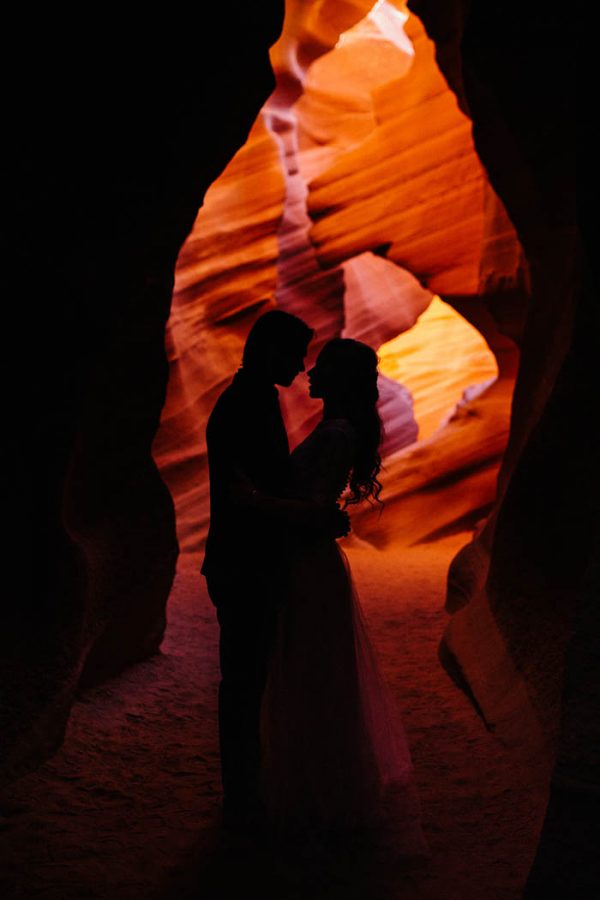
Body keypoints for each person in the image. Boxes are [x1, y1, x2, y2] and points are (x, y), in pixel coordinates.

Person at [256, 338, 427, 853]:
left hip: (306, 562)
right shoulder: (337, 430)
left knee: (312, 673)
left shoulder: (335, 434)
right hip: (310, 558)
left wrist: (255, 500)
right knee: (315, 671)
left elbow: (310, 505)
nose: (311, 372)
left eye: (323, 366)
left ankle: (315, 795)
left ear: (342, 379)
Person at [201, 310, 349, 830]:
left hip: (245, 557)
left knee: (247, 678)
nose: (302, 365)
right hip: (243, 561)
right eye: (294, 354)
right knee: (243, 681)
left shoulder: (253, 397)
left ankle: (245, 792)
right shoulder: (247, 403)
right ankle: (241, 800)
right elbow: (246, 496)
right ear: (269, 352)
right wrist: (309, 515)